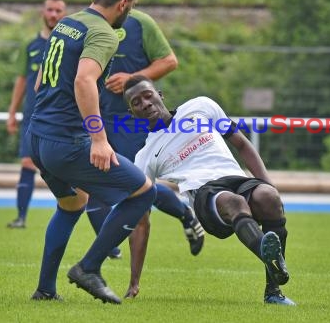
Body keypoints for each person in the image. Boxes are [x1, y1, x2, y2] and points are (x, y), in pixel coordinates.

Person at [27, 0, 155, 304]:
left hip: (38, 136)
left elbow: (41, 81)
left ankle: (45, 290)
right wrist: (98, 140)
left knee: (73, 204)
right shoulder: (104, 33)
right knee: (142, 191)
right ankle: (89, 267)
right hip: (65, 142)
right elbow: (84, 80)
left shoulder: (69, 22)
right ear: (124, 4)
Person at [86, 0, 204, 298]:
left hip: (131, 124)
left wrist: (131, 78)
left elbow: (169, 61)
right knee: (91, 188)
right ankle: (107, 250)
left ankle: (132, 281)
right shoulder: (86, 24)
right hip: (97, 120)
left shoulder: (141, 23)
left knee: (139, 194)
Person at [124, 75, 296, 306]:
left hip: (235, 179)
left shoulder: (201, 106)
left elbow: (243, 145)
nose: (144, 103)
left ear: (160, 95)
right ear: (132, 113)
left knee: (268, 197)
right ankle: (270, 258)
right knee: (234, 202)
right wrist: (134, 280)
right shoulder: (145, 157)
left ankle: (273, 292)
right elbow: (141, 222)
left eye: (148, 95)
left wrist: (268, 186)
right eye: (136, 102)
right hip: (205, 196)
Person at [6, 0, 67, 229]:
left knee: (63, 168)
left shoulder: (69, 44)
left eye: (58, 10)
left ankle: (70, 214)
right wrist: (12, 112)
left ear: (64, 14)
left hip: (60, 117)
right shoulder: (31, 45)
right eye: (50, 9)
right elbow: (22, 80)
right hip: (32, 117)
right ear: (43, 12)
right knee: (27, 163)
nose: (53, 14)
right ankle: (21, 217)